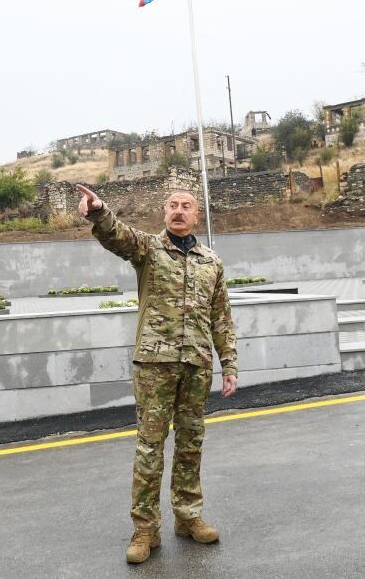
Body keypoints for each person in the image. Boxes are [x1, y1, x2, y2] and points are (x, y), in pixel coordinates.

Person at [75, 184, 238, 564]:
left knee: (190, 442)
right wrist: (99, 211)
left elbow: (221, 319)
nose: (179, 211)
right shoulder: (148, 248)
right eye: (173, 205)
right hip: (155, 364)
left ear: (196, 216)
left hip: (196, 365)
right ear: (165, 213)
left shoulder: (211, 262)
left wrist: (228, 363)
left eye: (186, 206)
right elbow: (118, 236)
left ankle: (189, 516)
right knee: (149, 448)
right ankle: (145, 529)